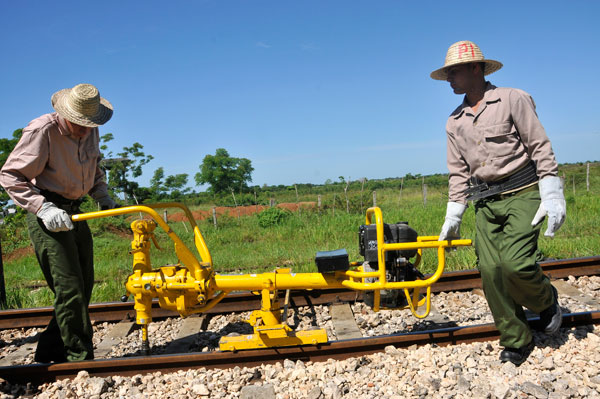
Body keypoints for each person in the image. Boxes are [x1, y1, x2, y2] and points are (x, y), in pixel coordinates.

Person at [431, 41, 566, 365]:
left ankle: (546, 301)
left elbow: (539, 146)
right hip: (485, 202)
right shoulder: (455, 122)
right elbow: (458, 172)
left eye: (455, 71)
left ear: (475, 69)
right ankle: (516, 339)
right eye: (447, 72)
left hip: (522, 192)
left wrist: (551, 191)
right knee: (491, 271)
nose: (450, 78)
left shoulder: (512, 99)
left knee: (515, 264)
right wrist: (454, 214)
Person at [0, 83, 118, 362]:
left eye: (90, 125)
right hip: (48, 214)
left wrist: (102, 196)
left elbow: (94, 167)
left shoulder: (90, 128)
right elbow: (10, 176)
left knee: (83, 288)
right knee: (70, 289)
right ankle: (79, 359)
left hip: (76, 213)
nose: (85, 130)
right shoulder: (43, 131)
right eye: (80, 124)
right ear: (67, 115)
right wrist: (43, 208)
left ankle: (48, 354)